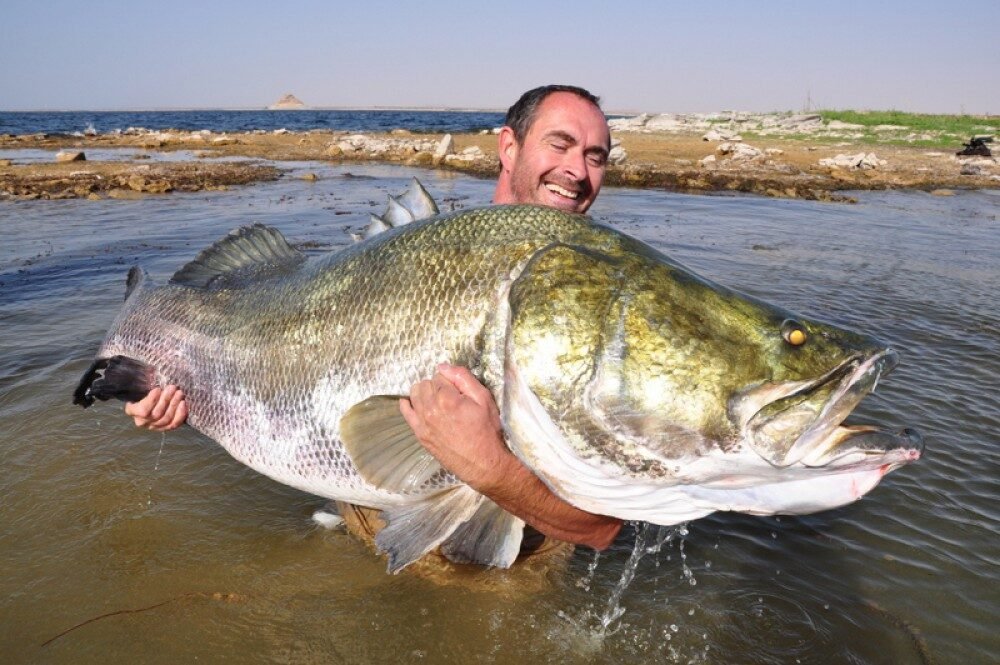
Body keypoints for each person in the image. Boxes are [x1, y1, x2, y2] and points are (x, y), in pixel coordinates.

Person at [126, 85, 624, 554]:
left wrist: (492, 469)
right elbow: (285, 379)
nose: (577, 171)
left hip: (526, 544)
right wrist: (171, 392)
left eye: (595, 156)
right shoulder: (427, 250)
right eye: (559, 145)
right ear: (509, 148)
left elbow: (602, 527)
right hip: (369, 516)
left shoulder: (597, 293)